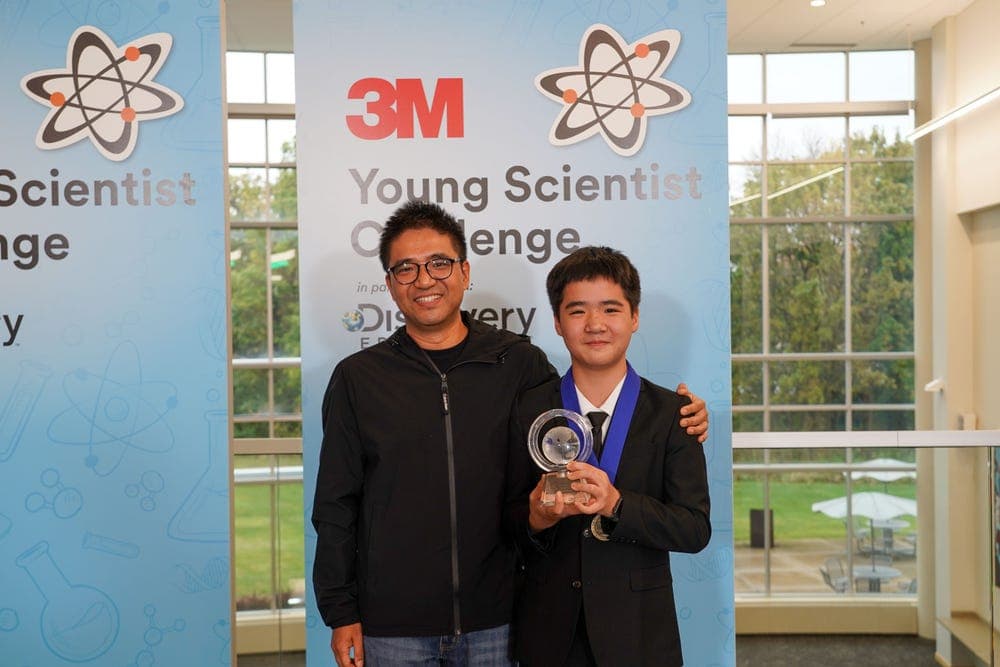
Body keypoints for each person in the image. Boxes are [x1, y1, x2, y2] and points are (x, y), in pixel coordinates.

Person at [312, 202, 709, 666]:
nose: (424, 279)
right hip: (393, 623)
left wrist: (686, 414)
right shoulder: (358, 378)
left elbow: (585, 409)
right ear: (390, 282)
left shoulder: (518, 365)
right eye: (406, 268)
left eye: (439, 263)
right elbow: (335, 504)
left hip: (496, 619)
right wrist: (341, 610)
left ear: (464, 272)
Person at [507, 246, 712, 667]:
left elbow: (694, 529)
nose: (595, 324)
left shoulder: (674, 415)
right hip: (549, 637)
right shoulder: (528, 410)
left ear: (634, 317)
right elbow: (503, 521)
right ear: (557, 322)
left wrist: (617, 505)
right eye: (578, 310)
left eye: (611, 309)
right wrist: (537, 517)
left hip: (640, 636)